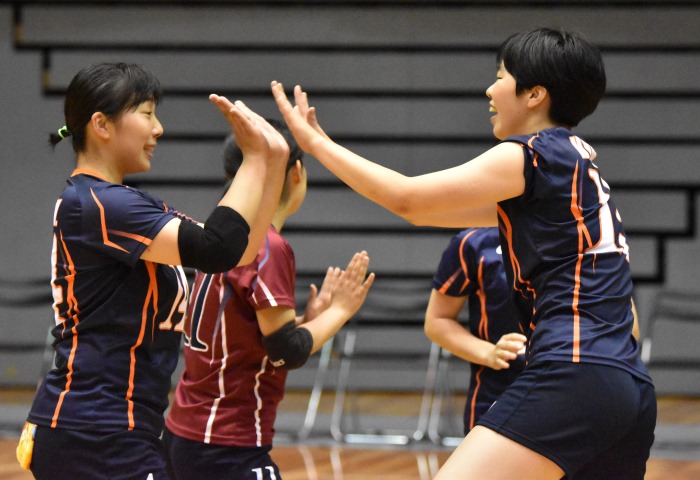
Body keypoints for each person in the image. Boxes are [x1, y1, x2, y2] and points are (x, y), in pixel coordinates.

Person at [272, 27, 656, 480]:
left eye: (501, 77)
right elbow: (425, 213)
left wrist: (316, 145)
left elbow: (408, 199)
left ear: (535, 94)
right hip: (628, 384)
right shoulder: (578, 170)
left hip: (574, 371)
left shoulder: (533, 153)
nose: (490, 90)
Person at [17, 62, 289, 480]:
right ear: (101, 125)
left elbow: (239, 251)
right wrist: (253, 159)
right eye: (146, 114)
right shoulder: (102, 205)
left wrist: (274, 162)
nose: (158, 129)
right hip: (95, 429)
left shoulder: (128, 205)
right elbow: (216, 247)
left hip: (115, 429)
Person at [162, 120, 375, 480]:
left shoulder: (220, 236)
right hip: (225, 443)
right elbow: (285, 350)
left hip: (188, 433)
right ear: (296, 172)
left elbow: (248, 340)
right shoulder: (268, 245)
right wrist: (340, 310)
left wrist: (306, 323)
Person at [425, 227, 526, 433]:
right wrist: (489, 353)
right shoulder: (473, 243)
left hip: (569, 391)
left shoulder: (582, 233)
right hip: (498, 394)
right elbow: (437, 320)